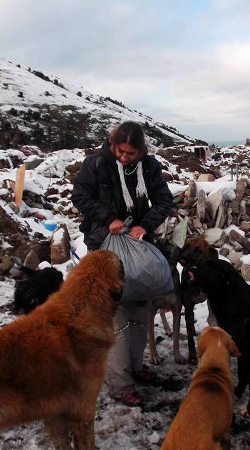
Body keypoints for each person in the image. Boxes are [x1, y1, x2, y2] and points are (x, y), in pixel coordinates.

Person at [72, 121, 174, 407]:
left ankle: (135, 367)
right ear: (112, 143)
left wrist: (145, 224)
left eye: (131, 153)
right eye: (120, 151)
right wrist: (108, 218)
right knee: (115, 316)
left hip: (138, 248)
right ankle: (120, 383)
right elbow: (80, 196)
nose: (124, 158)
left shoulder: (149, 167)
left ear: (140, 150)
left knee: (140, 312)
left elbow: (165, 200)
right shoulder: (96, 165)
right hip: (104, 248)